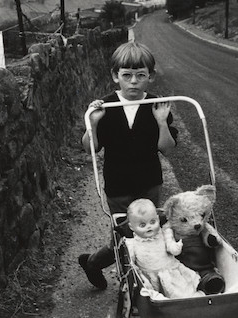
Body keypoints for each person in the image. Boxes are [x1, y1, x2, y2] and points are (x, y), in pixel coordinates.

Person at [78, 41, 178, 290]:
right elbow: (90, 147)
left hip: (150, 182)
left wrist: (162, 123)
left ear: (150, 77)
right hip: (119, 184)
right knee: (125, 237)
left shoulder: (157, 105)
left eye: (140, 75)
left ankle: (150, 283)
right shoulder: (106, 106)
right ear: (115, 76)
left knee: (151, 234)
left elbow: (167, 148)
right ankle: (96, 265)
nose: (133, 81)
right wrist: (95, 122)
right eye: (127, 75)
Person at [125, 199, 202, 299]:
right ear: (131, 227)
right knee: (152, 296)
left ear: (157, 218)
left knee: (182, 291)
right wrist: (141, 277)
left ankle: (193, 298)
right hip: (151, 276)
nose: (149, 227)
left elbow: (173, 250)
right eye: (142, 225)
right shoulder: (133, 244)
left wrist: (176, 246)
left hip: (170, 272)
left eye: (152, 222)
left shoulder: (164, 233)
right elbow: (132, 264)